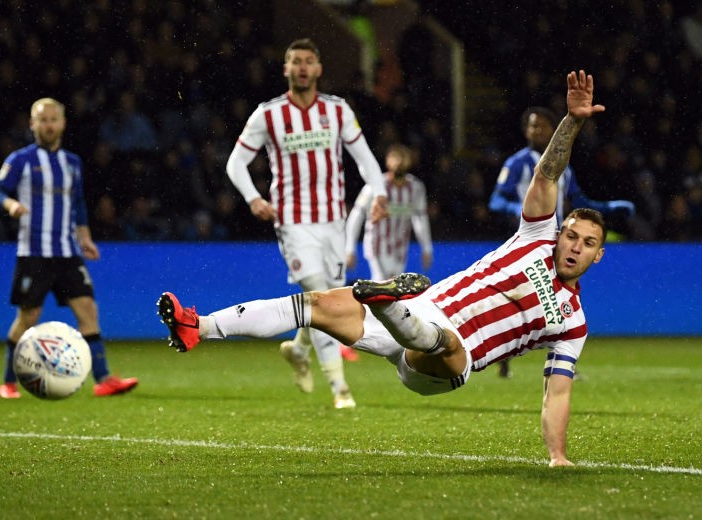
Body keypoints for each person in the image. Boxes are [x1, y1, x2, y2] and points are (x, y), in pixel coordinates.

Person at [161, 69, 609, 466]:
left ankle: (385, 303)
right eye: (570, 234)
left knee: (447, 344)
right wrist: (571, 123)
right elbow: (547, 175)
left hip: (450, 361)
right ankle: (196, 326)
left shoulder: (572, 322)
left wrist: (558, 457)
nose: (573, 246)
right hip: (422, 304)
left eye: (587, 243)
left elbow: (558, 390)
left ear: (597, 256)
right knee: (311, 304)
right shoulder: (535, 236)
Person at [225, 38, 390, 409]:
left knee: (325, 300)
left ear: (318, 69)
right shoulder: (267, 114)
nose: (301, 67)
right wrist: (253, 198)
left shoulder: (337, 110)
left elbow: (364, 159)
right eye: (295, 61)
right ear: (286, 69)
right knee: (317, 288)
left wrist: (379, 194)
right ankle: (339, 387)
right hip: (292, 221)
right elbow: (235, 163)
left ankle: (299, 349)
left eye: (308, 61)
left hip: (334, 219)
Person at [0, 97, 138, 399]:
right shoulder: (20, 160)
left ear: (63, 124)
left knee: (88, 311)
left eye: (53, 119)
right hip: (33, 252)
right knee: (28, 317)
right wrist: (11, 204)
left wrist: (85, 238)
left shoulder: (72, 163)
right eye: (42, 120)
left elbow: (78, 206)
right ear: (32, 124)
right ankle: (8, 381)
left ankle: (104, 379)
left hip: (67, 252)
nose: (48, 125)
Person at [488, 105, 633, 378]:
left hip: (555, 244)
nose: (536, 130)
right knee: (517, 299)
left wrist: (610, 207)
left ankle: (560, 362)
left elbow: (580, 202)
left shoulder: (564, 168)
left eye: (541, 126)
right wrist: (522, 210)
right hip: (525, 243)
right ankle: (503, 355)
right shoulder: (517, 163)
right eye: (532, 125)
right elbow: (495, 201)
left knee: (558, 299)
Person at [345, 144, 433, 281]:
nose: (398, 162)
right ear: (387, 161)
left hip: (400, 247)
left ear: (410, 161)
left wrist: (427, 248)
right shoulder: (377, 185)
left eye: (402, 158)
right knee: (381, 281)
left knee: (395, 286)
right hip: (377, 244)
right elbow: (357, 215)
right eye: (394, 158)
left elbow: (420, 218)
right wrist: (350, 248)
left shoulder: (416, 188)